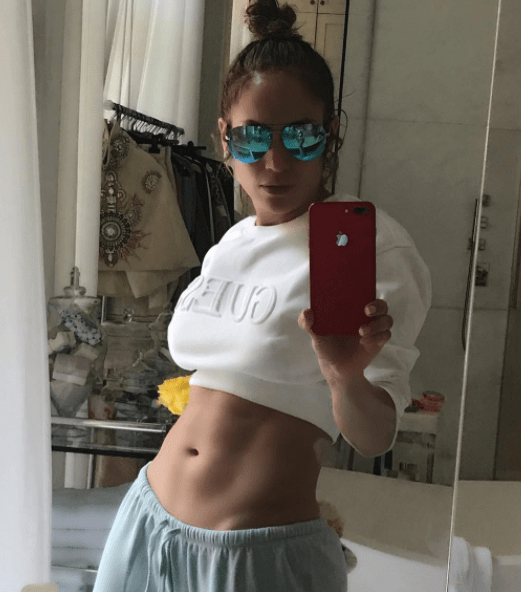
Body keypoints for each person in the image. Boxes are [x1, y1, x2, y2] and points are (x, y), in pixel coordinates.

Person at [92, 1, 431, 591]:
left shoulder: (378, 248)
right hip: (148, 523)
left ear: (330, 134)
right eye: (252, 138)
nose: (275, 162)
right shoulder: (232, 242)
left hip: (257, 558)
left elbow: (374, 435)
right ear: (225, 139)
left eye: (300, 136)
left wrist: (344, 376)